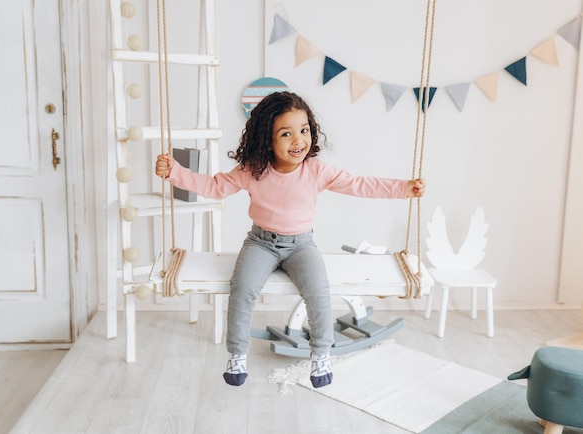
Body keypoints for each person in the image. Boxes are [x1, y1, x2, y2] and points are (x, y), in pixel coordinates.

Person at [155, 91, 425, 388]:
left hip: (301, 245)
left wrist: (404, 188)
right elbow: (214, 186)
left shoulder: (316, 170)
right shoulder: (252, 170)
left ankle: (321, 354)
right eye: (286, 133)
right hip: (261, 243)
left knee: (319, 291)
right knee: (242, 288)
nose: (298, 140)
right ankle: (237, 354)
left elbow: (360, 185)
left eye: (304, 130)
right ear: (266, 139)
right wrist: (175, 173)